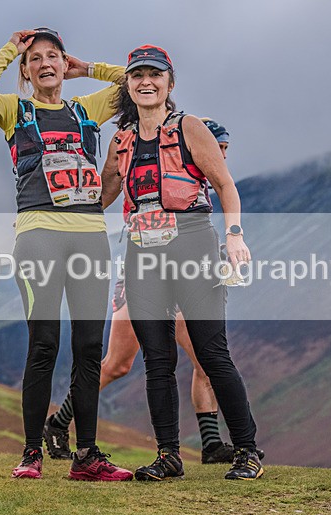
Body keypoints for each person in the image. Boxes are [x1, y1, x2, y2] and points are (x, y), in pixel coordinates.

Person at [44, 119, 264, 465]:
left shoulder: (202, 179)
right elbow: (110, 193)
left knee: (205, 359)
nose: (221, 156)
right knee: (119, 365)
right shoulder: (161, 151)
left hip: (183, 271)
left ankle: (211, 443)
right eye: (218, 148)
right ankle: (58, 422)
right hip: (143, 275)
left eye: (225, 150)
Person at [0, 28, 132, 481]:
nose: (45, 63)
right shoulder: (14, 111)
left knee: (89, 347)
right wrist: (10, 50)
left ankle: (88, 456)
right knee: (44, 344)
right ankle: (31, 453)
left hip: (90, 237)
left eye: (53, 56)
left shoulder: (86, 109)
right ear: (26, 71)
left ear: (64, 63)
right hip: (38, 237)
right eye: (36, 58)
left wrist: (87, 68)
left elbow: (136, 82)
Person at [100, 45, 263, 481]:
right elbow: (102, 197)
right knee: (157, 360)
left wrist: (234, 235)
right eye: (137, 76)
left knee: (212, 353)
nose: (146, 82)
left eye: (155, 75)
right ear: (128, 84)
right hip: (142, 250)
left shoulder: (189, 128)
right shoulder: (121, 141)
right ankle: (168, 455)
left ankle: (247, 452)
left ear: (169, 83)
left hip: (192, 245)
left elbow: (225, 185)